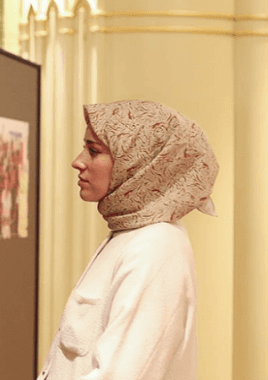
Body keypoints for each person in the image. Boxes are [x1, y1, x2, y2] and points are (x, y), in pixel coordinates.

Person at [37, 100, 218, 380]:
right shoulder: (130, 234)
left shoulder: (155, 247)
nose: (78, 161)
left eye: (93, 151)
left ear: (137, 163)